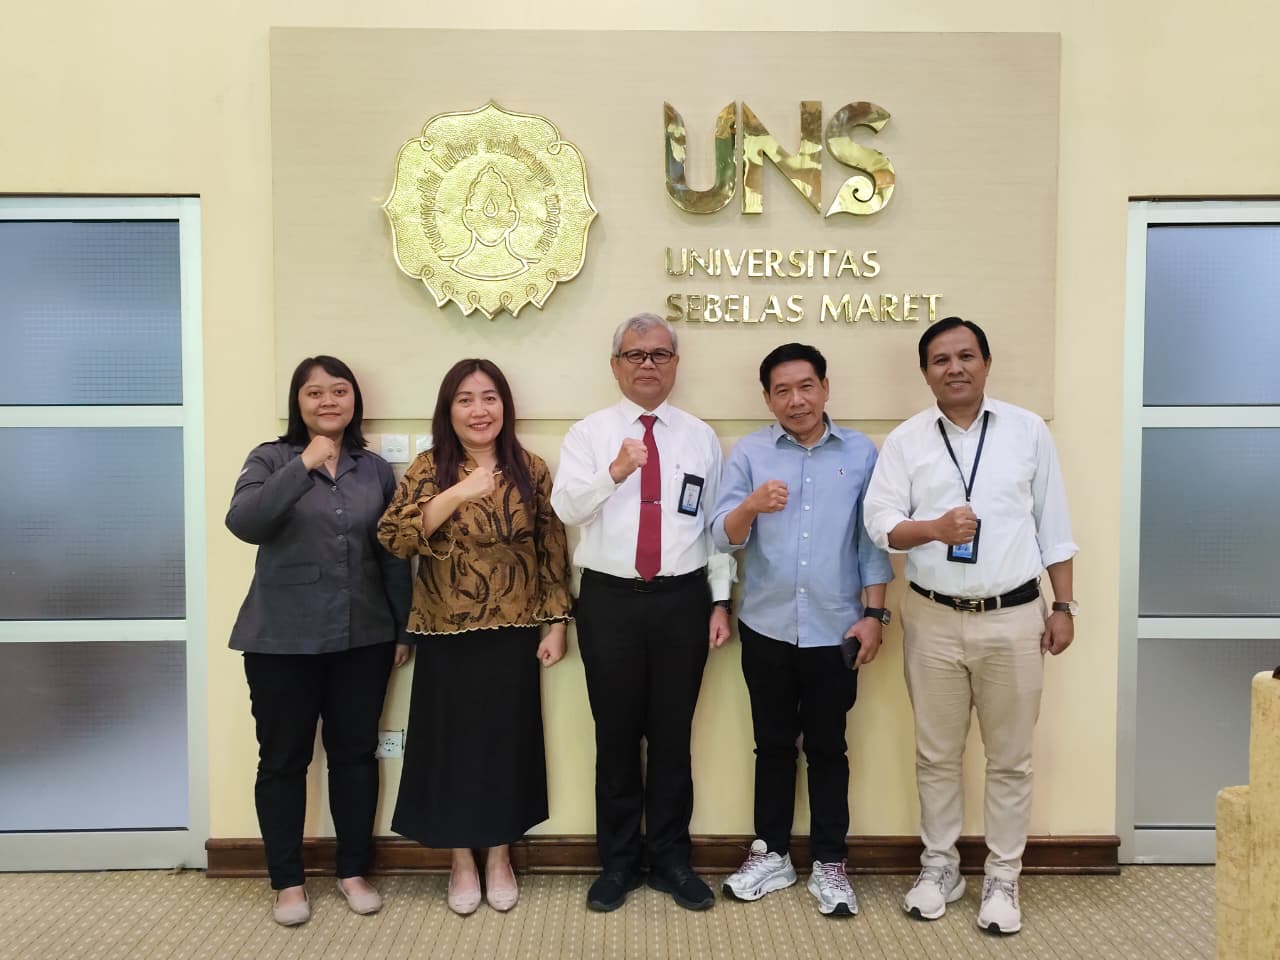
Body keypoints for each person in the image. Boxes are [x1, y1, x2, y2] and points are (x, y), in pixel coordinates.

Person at [863, 317, 1078, 936]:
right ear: (924, 371)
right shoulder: (906, 440)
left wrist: (1064, 607)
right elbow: (881, 523)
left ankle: (1004, 876)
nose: (953, 368)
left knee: (1010, 759)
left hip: (1014, 617)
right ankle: (940, 868)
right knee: (936, 755)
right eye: (939, 359)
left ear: (986, 362)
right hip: (930, 617)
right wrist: (934, 529)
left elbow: (1054, 527)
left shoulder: (1027, 431)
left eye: (965, 356)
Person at [551, 313, 733, 913]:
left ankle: (672, 860)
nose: (648, 364)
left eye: (659, 354)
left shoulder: (700, 435)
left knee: (674, 737)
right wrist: (616, 472)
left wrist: (720, 598)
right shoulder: (589, 435)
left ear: (676, 364)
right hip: (609, 601)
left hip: (683, 600)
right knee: (618, 736)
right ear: (616, 366)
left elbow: (715, 529)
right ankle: (619, 863)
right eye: (635, 355)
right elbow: (568, 510)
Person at [377, 358, 572, 916]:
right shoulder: (427, 467)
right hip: (444, 629)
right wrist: (458, 493)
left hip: (514, 629)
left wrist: (556, 622)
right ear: (448, 410)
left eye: (489, 397)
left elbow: (552, 549)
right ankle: (461, 859)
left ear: (504, 407)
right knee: (450, 749)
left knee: (505, 746)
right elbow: (394, 537)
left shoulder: (530, 468)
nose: (479, 409)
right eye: (465, 399)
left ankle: (499, 857)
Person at [227, 355, 411, 927]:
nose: (328, 401)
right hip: (279, 639)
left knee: (355, 757)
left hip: (364, 636)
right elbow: (246, 523)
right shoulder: (270, 457)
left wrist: (403, 628)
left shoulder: (374, 469)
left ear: (355, 400)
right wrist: (304, 463)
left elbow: (393, 553)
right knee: (283, 761)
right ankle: (287, 882)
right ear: (297, 402)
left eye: (339, 391)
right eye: (315, 393)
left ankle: (354, 870)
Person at [711, 343, 893, 917]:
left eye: (806, 386)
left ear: (825, 388)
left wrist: (875, 615)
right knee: (771, 745)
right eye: (783, 390)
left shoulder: (862, 452)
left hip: (836, 627)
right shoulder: (750, 452)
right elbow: (722, 534)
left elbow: (872, 544)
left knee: (828, 748)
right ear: (767, 398)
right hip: (765, 627)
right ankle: (771, 852)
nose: (797, 400)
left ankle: (830, 861)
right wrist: (752, 507)